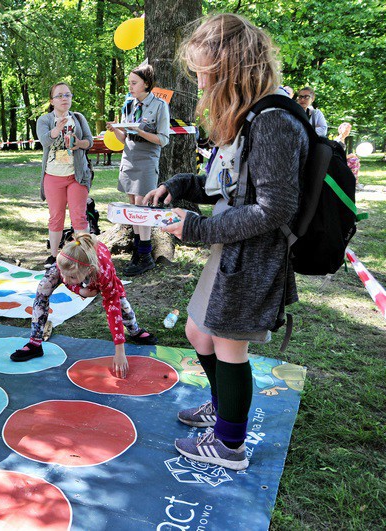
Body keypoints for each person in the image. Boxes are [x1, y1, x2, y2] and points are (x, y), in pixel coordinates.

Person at [143, 13, 308, 471]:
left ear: (231, 68)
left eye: (203, 71)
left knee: (230, 344)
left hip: (255, 254)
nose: (199, 82)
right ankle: (222, 407)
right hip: (232, 246)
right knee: (198, 330)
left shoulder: (274, 120)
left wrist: (195, 229)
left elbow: (274, 209)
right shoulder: (250, 114)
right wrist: (180, 184)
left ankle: (230, 445)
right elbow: (228, 187)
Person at [10, 234, 156, 374]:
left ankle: (134, 330)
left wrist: (119, 351)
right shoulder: (69, 258)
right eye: (63, 274)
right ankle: (35, 343)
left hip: (98, 272)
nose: (65, 280)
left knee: (121, 304)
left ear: (89, 271)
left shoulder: (103, 272)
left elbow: (113, 308)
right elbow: (66, 275)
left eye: (71, 277)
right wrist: (79, 290)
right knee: (43, 288)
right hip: (76, 267)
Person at [107, 64, 171, 276]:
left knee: (142, 207)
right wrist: (117, 129)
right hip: (129, 157)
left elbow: (163, 139)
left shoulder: (160, 106)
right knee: (132, 206)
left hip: (146, 158)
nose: (130, 87)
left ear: (146, 84)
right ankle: (137, 251)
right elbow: (124, 139)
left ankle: (145, 254)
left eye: (134, 83)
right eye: (129, 83)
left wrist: (140, 132)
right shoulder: (128, 104)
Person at [36, 82, 94, 267]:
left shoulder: (78, 118)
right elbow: (45, 141)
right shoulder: (44, 120)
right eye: (59, 95)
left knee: (79, 216)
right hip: (53, 176)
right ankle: (54, 257)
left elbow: (89, 142)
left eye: (67, 95)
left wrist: (79, 143)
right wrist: (57, 128)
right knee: (56, 217)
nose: (64, 99)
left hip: (77, 175)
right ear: (52, 101)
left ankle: (85, 257)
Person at [335, 122, 361, 188]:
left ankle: (354, 181)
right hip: (337, 163)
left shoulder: (342, 140)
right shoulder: (338, 141)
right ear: (340, 130)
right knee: (355, 161)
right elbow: (338, 156)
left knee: (355, 159)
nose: (347, 132)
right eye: (346, 130)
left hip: (341, 161)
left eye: (348, 130)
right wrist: (350, 156)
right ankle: (354, 182)